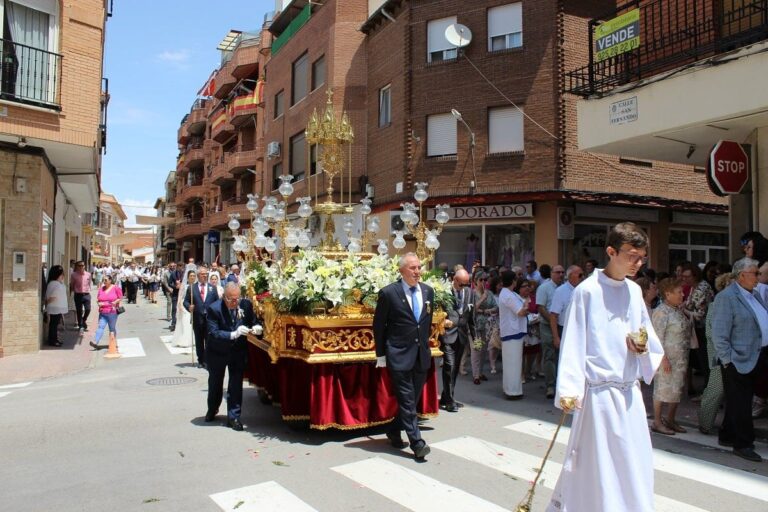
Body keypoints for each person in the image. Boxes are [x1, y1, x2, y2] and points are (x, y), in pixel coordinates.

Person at [547, 222, 663, 512]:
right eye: (632, 255)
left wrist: (642, 347)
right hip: (598, 396)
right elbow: (574, 341)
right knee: (598, 465)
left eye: (642, 257)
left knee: (632, 460)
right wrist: (571, 390)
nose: (638, 263)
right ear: (611, 252)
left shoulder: (635, 292)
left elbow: (645, 333)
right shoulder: (587, 292)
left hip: (629, 395)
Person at [373, 252, 434, 461]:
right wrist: (381, 355)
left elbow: (426, 323)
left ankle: (392, 428)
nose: (417, 272)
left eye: (418, 268)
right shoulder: (389, 293)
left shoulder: (428, 291)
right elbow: (379, 326)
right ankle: (417, 443)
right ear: (401, 271)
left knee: (412, 399)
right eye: (412, 268)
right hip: (398, 354)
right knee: (408, 401)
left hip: (420, 355)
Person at [711, 257, 768, 462]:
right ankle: (743, 444)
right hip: (738, 359)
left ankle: (727, 434)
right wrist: (728, 360)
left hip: (757, 354)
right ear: (742, 275)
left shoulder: (754, 295)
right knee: (741, 403)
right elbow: (719, 333)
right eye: (755, 273)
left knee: (738, 400)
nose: (759, 278)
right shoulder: (727, 297)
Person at [205, 282, 258, 430]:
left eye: (237, 299)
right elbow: (213, 333)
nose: (235, 303)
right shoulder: (214, 309)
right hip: (217, 351)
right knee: (215, 382)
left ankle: (234, 416)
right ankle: (212, 408)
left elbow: (252, 321)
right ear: (224, 297)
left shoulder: (245, 305)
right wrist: (233, 334)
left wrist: (257, 327)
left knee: (235, 384)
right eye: (231, 300)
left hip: (237, 351)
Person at [651, 278, 692, 435]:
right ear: (667, 294)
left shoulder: (676, 309)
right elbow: (656, 337)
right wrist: (663, 359)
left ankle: (671, 419)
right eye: (679, 292)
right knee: (662, 389)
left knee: (676, 390)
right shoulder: (661, 311)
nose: (682, 294)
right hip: (667, 358)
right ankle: (657, 421)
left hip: (680, 358)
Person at [698, 273, 734, 434]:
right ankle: (705, 422)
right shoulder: (717, 303)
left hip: (730, 353)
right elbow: (710, 333)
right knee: (716, 388)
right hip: (718, 353)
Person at [439, 268, 473, 411]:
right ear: (455, 280)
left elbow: (471, 316)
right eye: (462, 284)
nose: (464, 287)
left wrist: (476, 338)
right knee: (449, 366)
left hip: (462, 335)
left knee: (455, 369)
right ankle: (450, 401)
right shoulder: (444, 292)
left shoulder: (470, 293)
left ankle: (447, 397)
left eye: (467, 284)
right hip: (448, 334)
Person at [498, 271, 528, 400]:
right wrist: (527, 305)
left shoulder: (510, 293)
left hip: (513, 331)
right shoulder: (508, 295)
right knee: (513, 363)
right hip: (512, 332)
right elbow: (521, 312)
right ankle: (513, 391)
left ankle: (510, 389)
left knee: (512, 363)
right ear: (513, 281)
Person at [184, 267, 219, 369]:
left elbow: (217, 302)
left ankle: (207, 360)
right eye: (203, 274)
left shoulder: (212, 288)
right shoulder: (191, 288)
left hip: (210, 319)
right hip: (197, 318)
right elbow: (185, 301)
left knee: (209, 340)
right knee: (199, 341)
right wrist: (188, 307)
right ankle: (200, 360)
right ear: (198, 275)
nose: (205, 276)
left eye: (206, 274)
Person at [537, 264, 564, 398]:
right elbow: (541, 307)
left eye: (562, 272)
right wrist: (552, 320)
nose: (560, 275)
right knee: (549, 355)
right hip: (547, 325)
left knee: (561, 355)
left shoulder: (565, 288)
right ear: (552, 273)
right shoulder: (544, 288)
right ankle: (550, 385)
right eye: (557, 272)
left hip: (562, 326)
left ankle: (560, 383)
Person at [549, 265, 584, 350]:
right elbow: (553, 315)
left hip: (580, 329)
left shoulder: (583, 289)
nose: (582, 277)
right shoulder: (560, 291)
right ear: (571, 276)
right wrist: (556, 337)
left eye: (583, 274)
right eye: (580, 275)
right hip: (565, 329)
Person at [471, 272, 496, 385]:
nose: (483, 282)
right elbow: (473, 309)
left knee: (484, 350)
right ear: (475, 281)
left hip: (487, 325)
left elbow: (496, 307)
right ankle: (476, 374)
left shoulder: (489, 293)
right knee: (477, 349)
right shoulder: (472, 294)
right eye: (481, 280)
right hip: (476, 326)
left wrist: (486, 311)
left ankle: (480, 372)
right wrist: (482, 298)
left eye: (485, 280)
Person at [89, 274, 123, 349]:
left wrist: (115, 302)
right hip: (103, 312)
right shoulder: (101, 289)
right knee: (101, 327)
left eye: (106, 280)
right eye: (103, 280)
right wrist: (99, 303)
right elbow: (98, 299)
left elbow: (120, 297)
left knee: (112, 328)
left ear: (110, 280)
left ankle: (112, 343)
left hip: (112, 312)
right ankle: (95, 341)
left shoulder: (115, 288)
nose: (104, 282)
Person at [45, 265, 68, 347]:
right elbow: (52, 297)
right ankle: (52, 340)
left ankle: (54, 339)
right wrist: (47, 303)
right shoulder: (54, 284)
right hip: (55, 307)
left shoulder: (55, 283)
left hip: (56, 307)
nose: (63, 276)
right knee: (54, 325)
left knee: (54, 324)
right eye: (62, 274)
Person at [172, 270, 197, 348]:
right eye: (191, 276)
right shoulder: (184, 286)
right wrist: (179, 306)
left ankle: (193, 339)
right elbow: (180, 297)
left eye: (194, 276)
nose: (192, 277)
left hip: (194, 305)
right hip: (184, 306)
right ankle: (186, 340)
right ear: (188, 277)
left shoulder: (196, 286)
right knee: (186, 322)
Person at [70, 261, 92, 332]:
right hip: (78, 295)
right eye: (79, 265)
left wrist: (88, 290)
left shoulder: (88, 274)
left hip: (86, 294)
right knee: (79, 311)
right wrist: (74, 291)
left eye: (82, 265)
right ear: (77, 267)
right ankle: (80, 325)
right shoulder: (74, 275)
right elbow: (72, 285)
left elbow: (89, 284)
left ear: (84, 266)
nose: (81, 267)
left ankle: (83, 320)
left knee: (88, 309)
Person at [167, 262, 182, 331]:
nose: (180, 268)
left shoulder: (185, 274)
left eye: (181, 266)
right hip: (175, 294)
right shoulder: (173, 274)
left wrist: (182, 285)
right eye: (179, 266)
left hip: (183, 294)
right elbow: (169, 283)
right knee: (174, 309)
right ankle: (173, 323)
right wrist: (175, 286)